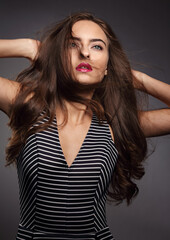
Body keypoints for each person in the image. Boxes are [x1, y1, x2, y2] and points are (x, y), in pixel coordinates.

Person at [0, 12, 169, 240]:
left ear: (108, 64)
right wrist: (27, 47)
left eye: (97, 47)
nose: (85, 53)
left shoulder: (114, 123)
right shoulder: (25, 102)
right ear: (58, 56)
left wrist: (139, 80)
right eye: (72, 44)